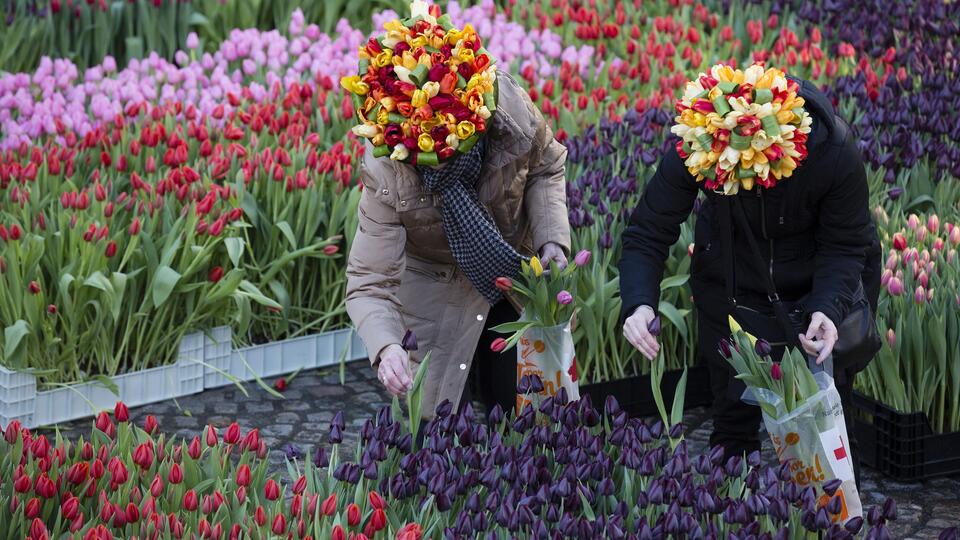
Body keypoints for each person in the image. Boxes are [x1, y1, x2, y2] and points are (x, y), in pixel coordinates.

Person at [619, 65, 881, 464]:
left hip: (815, 285)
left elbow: (846, 246)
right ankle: (733, 513)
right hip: (729, 287)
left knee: (828, 422)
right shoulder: (704, 141)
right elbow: (648, 231)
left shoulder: (832, 151)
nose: (746, 181)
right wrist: (639, 303)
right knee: (733, 421)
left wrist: (828, 308)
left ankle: (833, 518)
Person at [344, 5, 569, 420]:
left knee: (532, 423)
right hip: (433, 289)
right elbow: (369, 280)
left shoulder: (508, 113)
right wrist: (387, 346)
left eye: (447, 153)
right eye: (426, 159)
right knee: (438, 437)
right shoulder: (388, 165)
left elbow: (546, 166)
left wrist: (551, 240)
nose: (437, 165)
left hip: (511, 275)